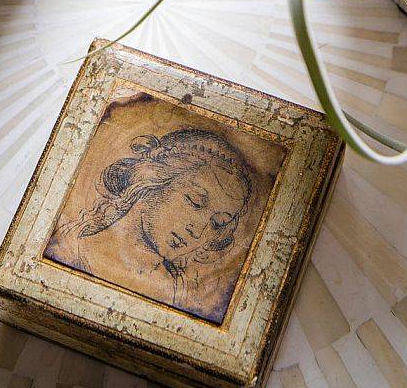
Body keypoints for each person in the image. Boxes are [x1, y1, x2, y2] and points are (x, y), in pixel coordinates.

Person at [47, 125, 255, 321]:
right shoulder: (65, 245)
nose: (198, 231)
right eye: (195, 201)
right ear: (154, 179)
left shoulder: (178, 298)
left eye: (218, 224)